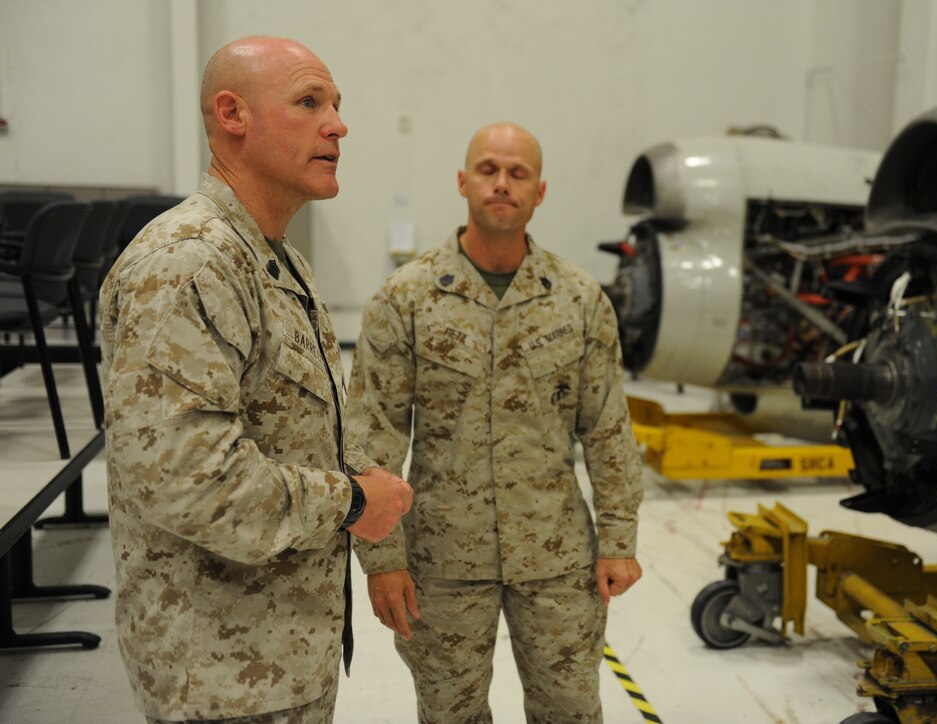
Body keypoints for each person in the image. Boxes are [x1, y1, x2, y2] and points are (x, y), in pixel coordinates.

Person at [99, 36, 413, 723]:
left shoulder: (274, 259)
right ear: (232, 114)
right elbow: (188, 481)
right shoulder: (189, 263)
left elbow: (297, 431)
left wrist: (363, 484)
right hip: (220, 678)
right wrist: (353, 502)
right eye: (309, 102)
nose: (338, 125)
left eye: (336, 105)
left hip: (280, 655)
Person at [347, 121, 644, 723]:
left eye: (518, 173)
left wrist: (619, 540)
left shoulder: (579, 299)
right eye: (488, 170)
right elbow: (373, 438)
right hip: (442, 562)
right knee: (449, 715)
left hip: (557, 557)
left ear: (540, 191)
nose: (502, 183)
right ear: (463, 182)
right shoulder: (405, 299)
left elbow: (608, 428)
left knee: (571, 711)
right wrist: (383, 560)